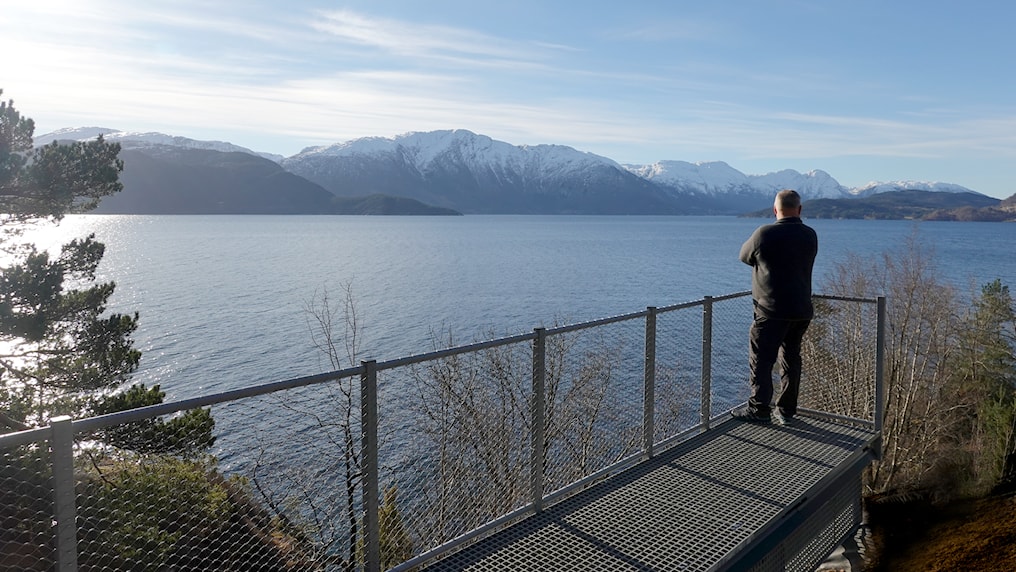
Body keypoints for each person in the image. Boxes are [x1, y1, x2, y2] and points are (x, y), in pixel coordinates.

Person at [734, 189, 818, 426]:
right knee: (791, 358)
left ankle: (759, 408)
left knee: (762, 359)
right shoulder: (810, 235)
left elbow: (744, 256)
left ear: (775, 210)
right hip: (801, 309)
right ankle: (787, 410)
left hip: (770, 310)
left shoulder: (764, 234)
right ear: (799, 210)